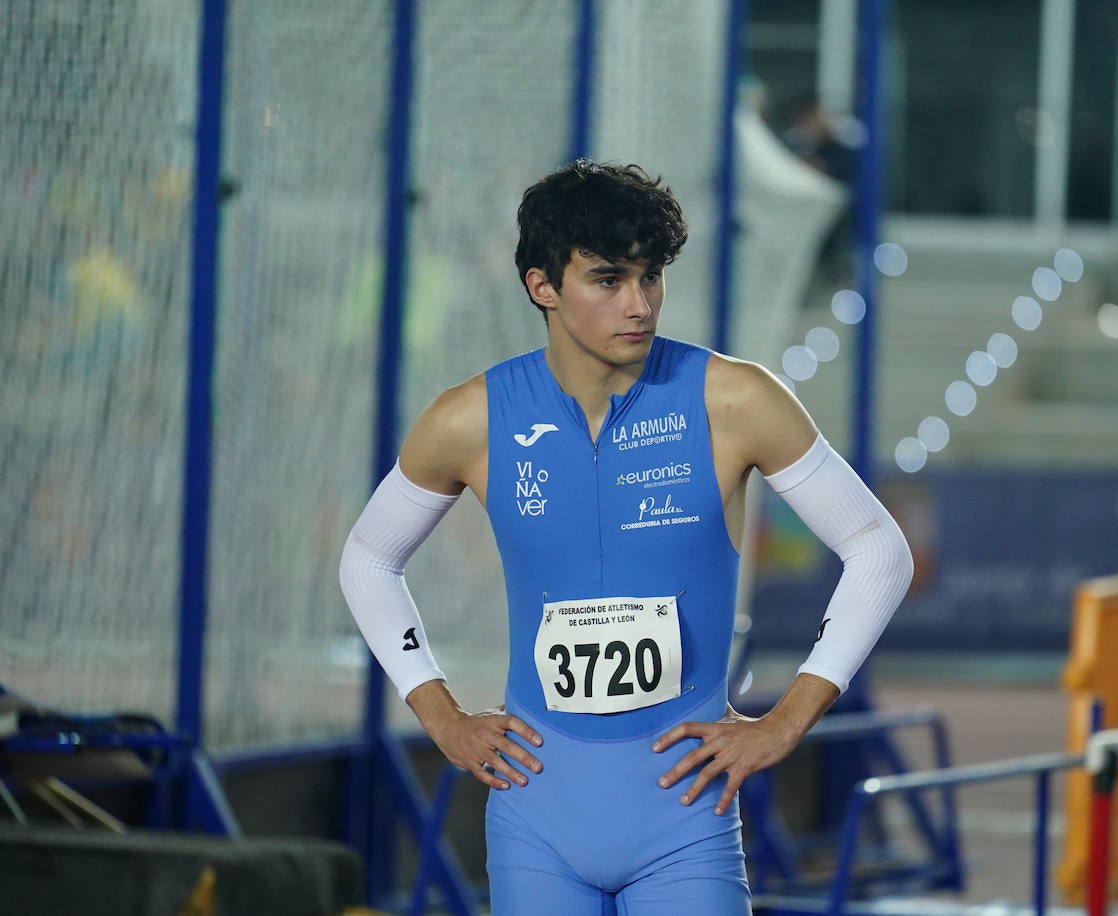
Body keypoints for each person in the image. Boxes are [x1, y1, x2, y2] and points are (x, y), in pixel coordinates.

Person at [338, 159, 914, 914]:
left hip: (683, 819)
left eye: (651, 279)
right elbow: (369, 559)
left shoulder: (734, 399)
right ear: (542, 286)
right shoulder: (470, 419)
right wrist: (440, 715)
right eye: (608, 280)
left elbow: (879, 549)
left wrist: (786, 720)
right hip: (536, 815)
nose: (639, 305)